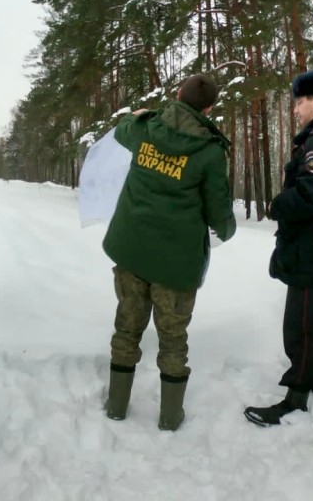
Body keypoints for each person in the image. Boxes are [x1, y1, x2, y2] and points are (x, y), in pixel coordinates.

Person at [102, 73, 237, 431]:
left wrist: (137, 114)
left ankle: (117, 405)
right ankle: (170, 417)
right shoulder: (209, 151)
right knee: (174, 338)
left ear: (178, 95)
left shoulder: (147, 128)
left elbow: (120, 131)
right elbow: (217, 208)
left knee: (126, 328)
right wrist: (227, 229)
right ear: (208, 108)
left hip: (132, 250)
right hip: (176, 264)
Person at [244, 70, 313, 427]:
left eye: (299, 102)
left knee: (302, 325)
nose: (295, 110)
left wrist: (279, 205)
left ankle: (296, 398)